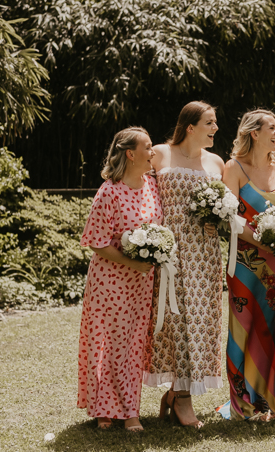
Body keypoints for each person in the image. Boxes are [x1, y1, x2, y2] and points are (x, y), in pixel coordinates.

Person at [144, 101, 225, 428]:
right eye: (209, 122)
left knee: (199, 321)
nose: (215, 128)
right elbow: (140, 191)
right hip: (169, 251)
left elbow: (226, 206)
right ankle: (182, 397)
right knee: (176, 321)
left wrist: (216, 220)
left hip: (204, 254)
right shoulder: (160, 153)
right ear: (190, 125)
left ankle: (178, 393)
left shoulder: (218, 162)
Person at [78, 127, 162, 432]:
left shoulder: (152, 186)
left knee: (133, 344)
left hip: (141, 282)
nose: (153, 152)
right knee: (108, 341)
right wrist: (131, 261)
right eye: (148, 147)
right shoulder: (109, 191)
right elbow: (96, 241)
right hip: (110, 279)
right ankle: (105, 407)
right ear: (131, 153)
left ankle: (130, 411)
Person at [222, 109, 275, 421]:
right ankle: (242, 405)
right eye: (272, 128)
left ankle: (267, 402)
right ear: (254, 132)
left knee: (269, 330)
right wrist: (262, 240)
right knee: (242, 329)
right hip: (244, 261)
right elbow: (229, 218)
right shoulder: (234, 167)